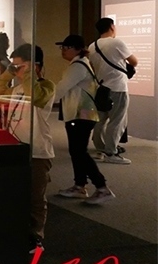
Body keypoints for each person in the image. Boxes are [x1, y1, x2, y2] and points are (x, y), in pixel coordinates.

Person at [0, 44, 55, 252]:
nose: (16, 70)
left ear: (35, 66)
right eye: (15, 66)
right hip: (16, 148)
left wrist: (29, 74)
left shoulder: (46, 86)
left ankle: (36, 236)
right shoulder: (18, 88)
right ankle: (17, 230)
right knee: (15, 193)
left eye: (20, 66)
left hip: (37, 150)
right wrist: (7, 74)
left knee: (35, 197)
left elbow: (36, 97)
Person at [53, 34, 116, 205]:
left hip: (81, 114)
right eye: (62, 47)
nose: (63, 51)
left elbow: (61, 88)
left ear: (77, 49)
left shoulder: (78, 66)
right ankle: (79, 185)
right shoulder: (80, 64)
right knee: (76, 151)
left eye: (66, 47)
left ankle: (102, 187)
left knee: (79, 152)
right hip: (80, 114)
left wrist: (43, 100)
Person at [88, 17, 138, 164]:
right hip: (118, 87)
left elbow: (92, 67)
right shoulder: (117, 43)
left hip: (101, 88)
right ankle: (111, 152)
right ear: (111, 27)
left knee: (100, 120)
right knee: (117, 121)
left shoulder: (92, 46)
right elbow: (134, 61)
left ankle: (100, 148)